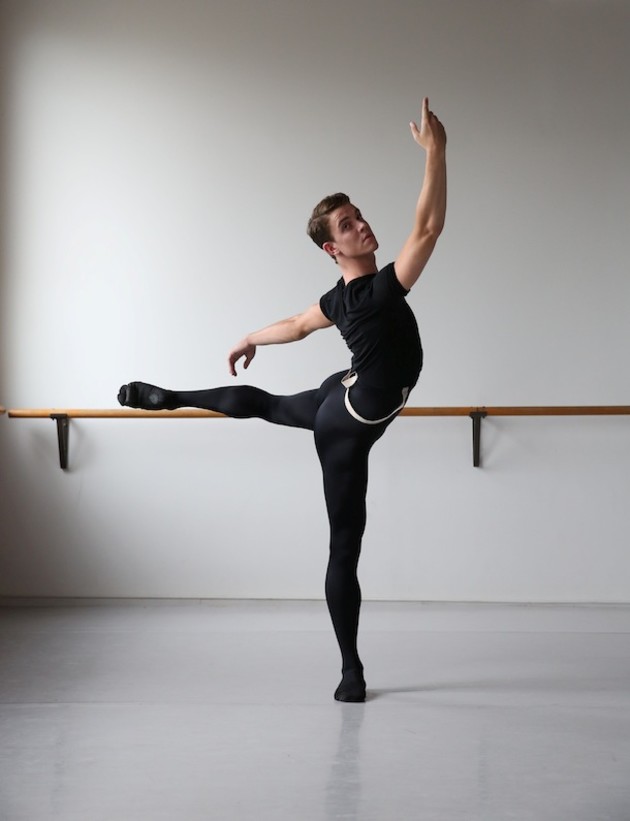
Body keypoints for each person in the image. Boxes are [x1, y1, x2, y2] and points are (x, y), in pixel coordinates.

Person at [118, 97, 447, 702]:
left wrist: (249, 336)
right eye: (347, 225)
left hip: (342, 391)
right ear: (332, 248)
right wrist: (437, 153)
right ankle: (351, 670)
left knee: (272, 406)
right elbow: (427, 228)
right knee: (344, 547)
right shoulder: (376, 293)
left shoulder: (343, 298)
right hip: (346, 425)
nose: (362, 225)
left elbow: (296, 325)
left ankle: (171, 397)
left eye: (358, 215)